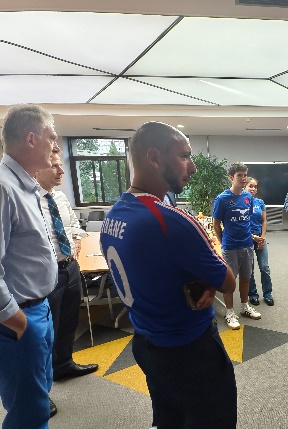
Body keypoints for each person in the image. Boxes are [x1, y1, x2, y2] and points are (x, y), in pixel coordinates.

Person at [99, 122, 238, 428]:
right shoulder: (169, 220)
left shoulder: (114, 215)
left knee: (169, 419)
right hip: (190, 350)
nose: (193, 167)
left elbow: (154, 269)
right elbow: (228, 282)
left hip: (146, 343)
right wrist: (207, 279)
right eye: (184, 156)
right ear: (154, 157)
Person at [0, 104, 60, 427]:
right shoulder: (3, 187)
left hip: (39, 309)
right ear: (32, 138)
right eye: (52, 138)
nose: (55, 146)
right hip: (19, 318)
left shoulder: (27, 185)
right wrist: (18, 321)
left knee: (36, 399)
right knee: (29, 413)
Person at [36, 154, 99, 384]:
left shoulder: (60, 197)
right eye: (54, 166)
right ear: (37, 169)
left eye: (61, 166)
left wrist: (76, 239)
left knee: (68, 321)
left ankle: (63, 364)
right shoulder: (28, 200)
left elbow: (73, 225)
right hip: (46, 272)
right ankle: (43, 385)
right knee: (46, 331)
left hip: (70, 268)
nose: (61, 171)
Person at [213, 162, 261, 330]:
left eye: (244, 175)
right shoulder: (222, 199)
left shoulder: (248, 197)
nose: (243, 178)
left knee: (246, 278)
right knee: (229, 282)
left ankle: (244, 306)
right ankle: (230, 312)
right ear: (231, 177)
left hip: (247, 245)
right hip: (230, 247)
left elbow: (247, 221)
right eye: (239, 175)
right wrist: (223, 243)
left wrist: (251, 237)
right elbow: (216, 225)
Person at [246, 177, 275, 306]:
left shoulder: (260, 202)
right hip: (247, 239)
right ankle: (252, 294)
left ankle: (268, 294)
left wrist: (262, 238)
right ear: (245, 187)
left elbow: (264, 221)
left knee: (264, 267)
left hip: (260, 238)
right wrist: (252, 237)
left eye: (255, 186)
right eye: (250, 186)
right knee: (249, 269)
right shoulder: (241, 203)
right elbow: (240, 223)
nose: (253, 189)